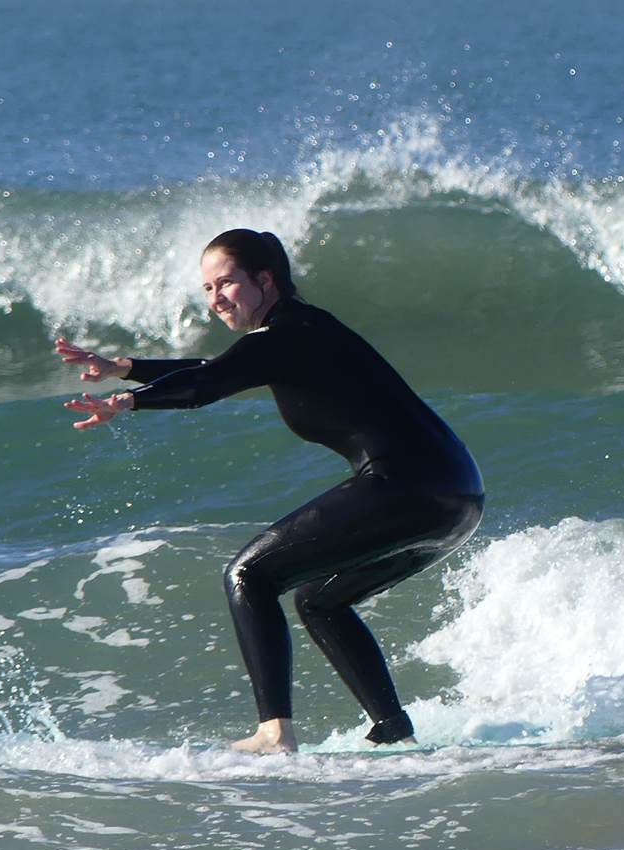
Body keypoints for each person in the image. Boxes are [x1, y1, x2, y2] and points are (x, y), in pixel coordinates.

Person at [55, 229, 484, 753]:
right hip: (455, 495)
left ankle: (274, 732)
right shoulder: (296, 333)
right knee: (319, 600)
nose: (215, 300)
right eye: (207, 289)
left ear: (265, 280)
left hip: (410, 484)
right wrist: (126, 369)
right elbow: (216, 371)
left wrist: (127, 401)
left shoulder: (291, 333)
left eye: (226, 283)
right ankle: (392, 730)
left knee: (249, 574)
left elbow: (206, 386)